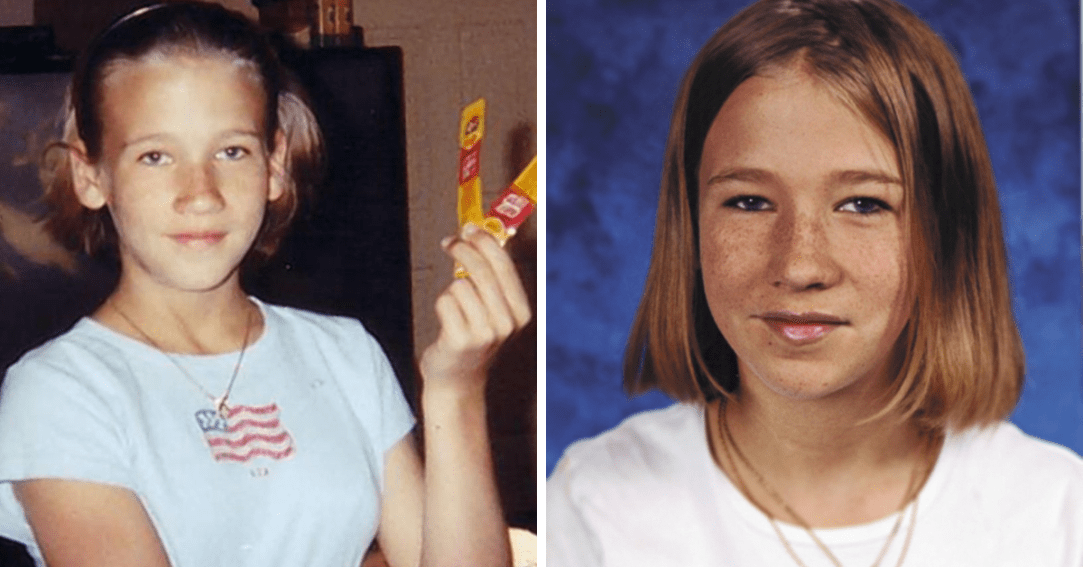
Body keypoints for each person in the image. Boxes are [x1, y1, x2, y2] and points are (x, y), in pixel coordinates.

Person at [546, 0, 1083, 565]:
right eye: (749, 201)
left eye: (863, 204)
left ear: (945, 236)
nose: (801, 266)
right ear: (690, 225)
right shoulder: (595, 502)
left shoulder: (1056, 516)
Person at [0, 3, 531, 566]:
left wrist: (458, 390)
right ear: (91, 176)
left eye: (232, 151)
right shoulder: (60, 392)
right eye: (155, 156)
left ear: (274, 165)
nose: (200, 193)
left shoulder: (345, 354)